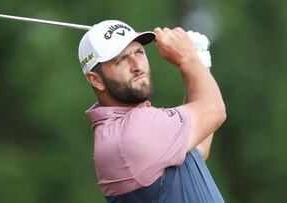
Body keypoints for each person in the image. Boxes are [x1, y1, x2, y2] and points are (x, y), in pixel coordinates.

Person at [78, 20, 226, 203]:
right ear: (96, 80)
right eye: (121, 59)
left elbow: (197, 149)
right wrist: (188, 58)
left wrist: (200, 63)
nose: (136, 65)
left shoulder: (119, 130)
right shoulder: (132, 132)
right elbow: (214, 110)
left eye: (139, 52)